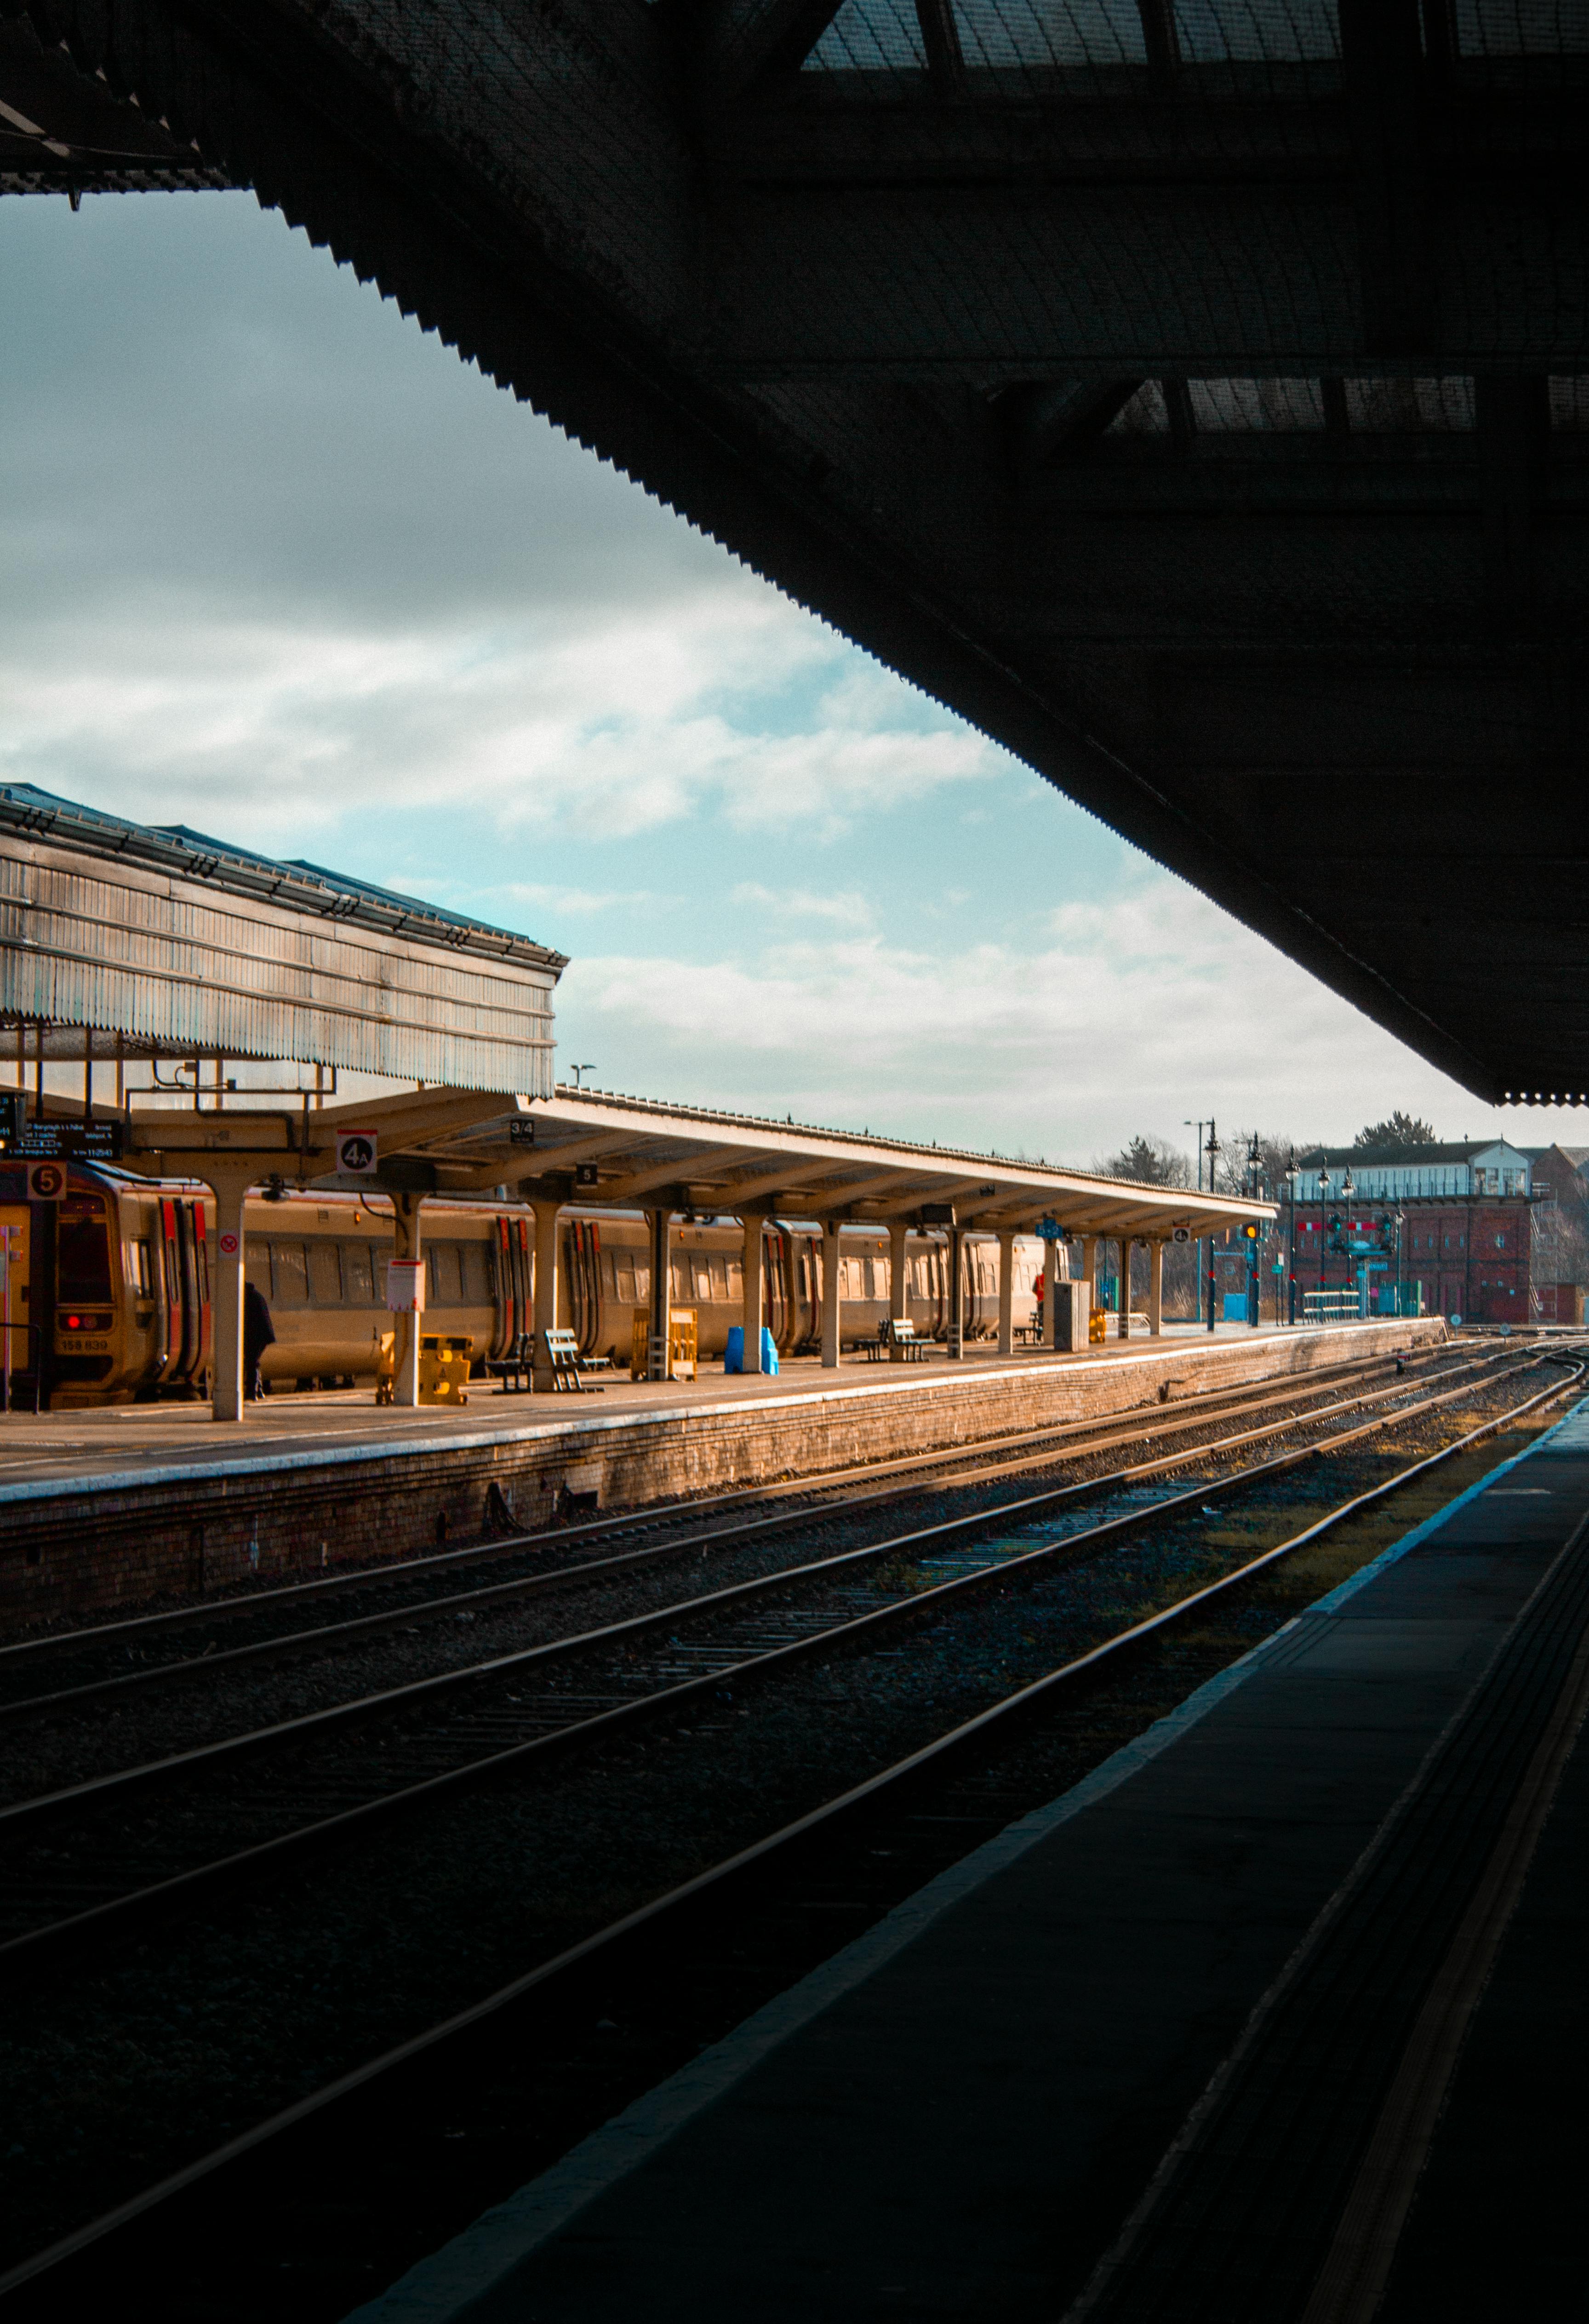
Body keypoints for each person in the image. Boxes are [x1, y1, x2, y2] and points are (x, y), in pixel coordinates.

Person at [242, 1279, 275, 1401]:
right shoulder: (256, 1296)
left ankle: (252, 1392)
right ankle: (259, 1390)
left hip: (257, 1336)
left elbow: (251, 1321)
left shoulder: (249, 1299)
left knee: (252, 1363)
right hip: (261, 1335)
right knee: (253, 1362)